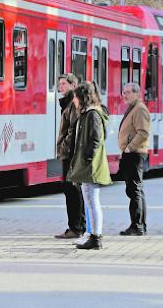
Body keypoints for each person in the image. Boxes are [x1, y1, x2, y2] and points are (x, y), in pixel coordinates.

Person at [67, 82, 112, 250]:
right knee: (90, 200)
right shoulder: (89, 113)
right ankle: (91, 234)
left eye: (76, 98)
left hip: (91, 166)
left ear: (83, 98)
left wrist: (86, 159)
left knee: (92, 201)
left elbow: (95, 139)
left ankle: (96, 237)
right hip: (89, 165)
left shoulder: (92, 115)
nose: (74, 101)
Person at [54, 73, 86, 239]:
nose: (60, 87)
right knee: (72, 190)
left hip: (71, 154)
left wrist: (65, 146)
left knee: (72, 190)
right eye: (59, 84)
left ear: (73, 85)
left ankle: (76, 227)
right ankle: (77, 226)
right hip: (69, 153)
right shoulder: (68, 103)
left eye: (64, 84)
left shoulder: (73, 104)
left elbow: (74, 128)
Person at [117, 82, 150, 236]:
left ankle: (137, 225)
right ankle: (138, 224)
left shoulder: (139, 109)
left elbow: (143, 132)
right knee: (134, 189)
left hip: (135, 153)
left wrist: (130, 147)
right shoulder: (133, 108)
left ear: (137, 94)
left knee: (135, 190)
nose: (125, 95)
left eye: (128, 92)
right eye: (124, 92)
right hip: (131, 153)